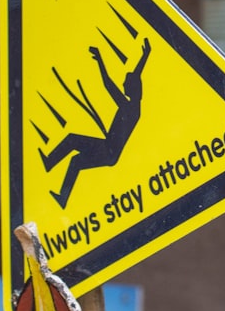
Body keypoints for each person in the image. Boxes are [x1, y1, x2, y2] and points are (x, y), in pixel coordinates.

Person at [40, 38, 151, 208]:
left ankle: (57, 181)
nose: (123, 85)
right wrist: (145, 55)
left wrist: (100, 60)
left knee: (74, 149)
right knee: (74, 150)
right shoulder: (133, 104)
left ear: (132, 88)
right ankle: (57, 183)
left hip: (108, 151)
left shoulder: (130, 107)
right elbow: (136, 76)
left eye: (125, 84)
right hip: (108, 147)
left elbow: (108, 85)